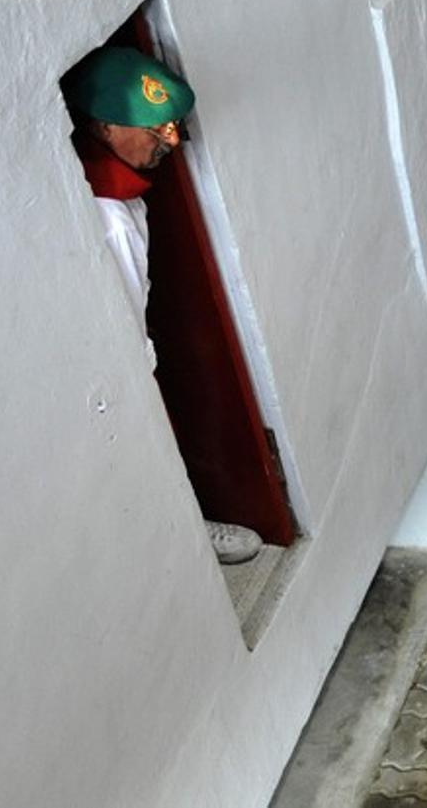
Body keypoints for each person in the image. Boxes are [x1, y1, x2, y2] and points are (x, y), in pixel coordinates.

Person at [62, 46, 262, 565]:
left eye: (173, 126)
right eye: (156, 130)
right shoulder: (106, 216)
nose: (171, 141)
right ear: (105, 127)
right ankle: (186, 535)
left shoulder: (123, 190)